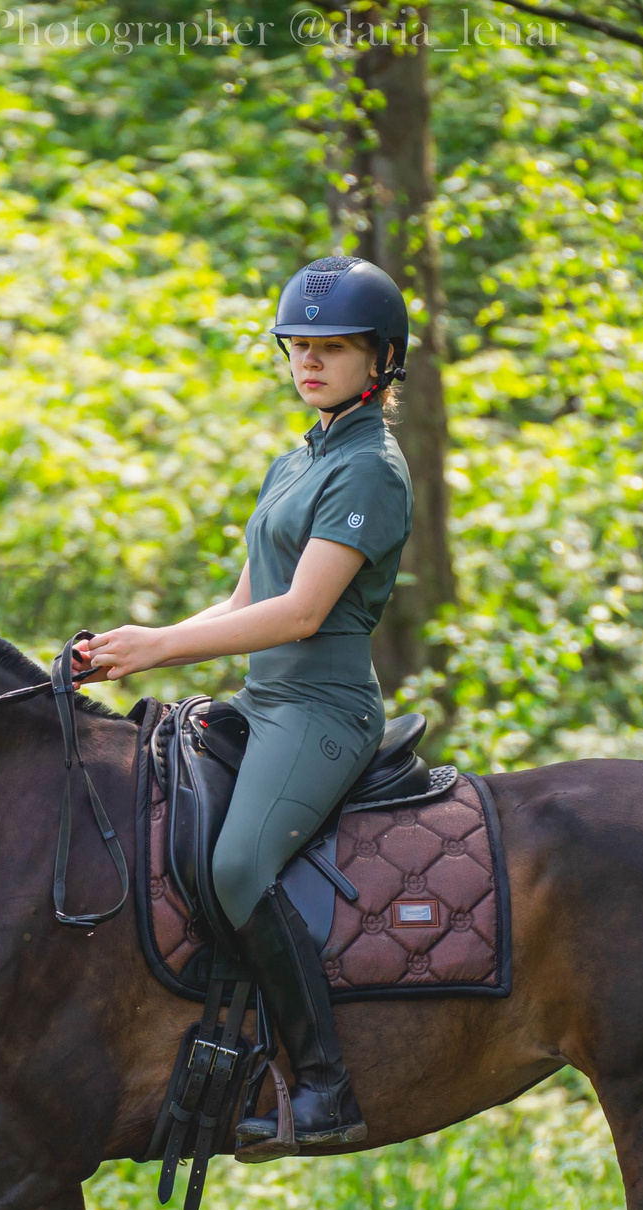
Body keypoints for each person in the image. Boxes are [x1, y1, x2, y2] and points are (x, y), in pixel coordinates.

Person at [75, 255, 414, 1147]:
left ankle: (327, 1086)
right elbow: (240, 601)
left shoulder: (371, 468)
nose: (308, 364)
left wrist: (160, 647)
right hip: (262, 699)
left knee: (235, 869)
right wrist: (131, 649)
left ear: (379, 359)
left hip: (321, 711)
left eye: (331, 349)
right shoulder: (298, 458)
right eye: (297, 347)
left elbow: (300, 614)